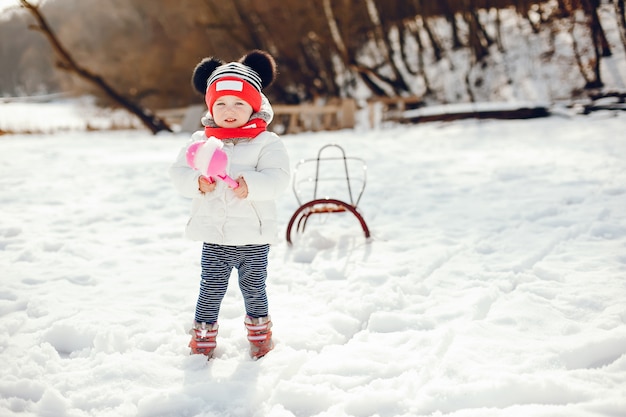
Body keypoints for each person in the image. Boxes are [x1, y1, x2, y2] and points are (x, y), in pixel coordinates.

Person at [169, 50, 290, 360]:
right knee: (209, 289)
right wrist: (198, 181)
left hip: (253, 236)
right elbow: (178, 172)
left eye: (239, 103)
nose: (230, 110)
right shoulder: (202, 141)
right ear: (210, 107)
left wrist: (251, 185)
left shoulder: (267, 143)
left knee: (254, 289)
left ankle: (260, 336)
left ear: (254, 105)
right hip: (216, 235)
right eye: (220, 103)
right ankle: (203, 338)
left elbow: (278, 180)